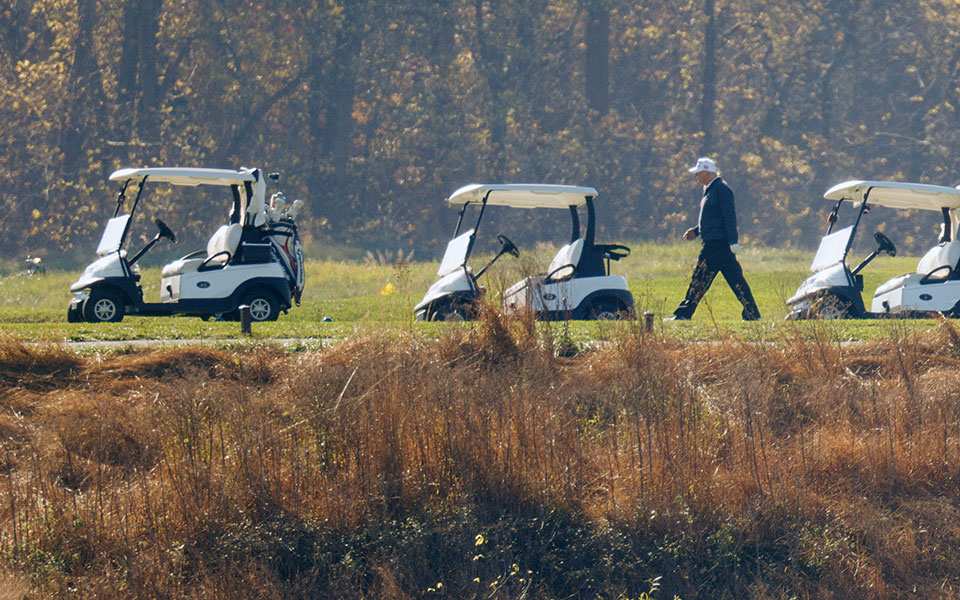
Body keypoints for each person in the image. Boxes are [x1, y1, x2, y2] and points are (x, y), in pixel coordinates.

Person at [666, 157, 761, 321]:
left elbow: (729, 217)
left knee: (699, 279)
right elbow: (712, 218)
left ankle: (683, 314)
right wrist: (696, 231)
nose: (697, 177)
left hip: (717, 245)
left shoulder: (721, 189)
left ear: (707, 173)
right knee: (736, 280)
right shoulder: (711, 189)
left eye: (698, 174)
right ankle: (752, 314)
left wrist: (733, 241)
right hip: (716, 243)